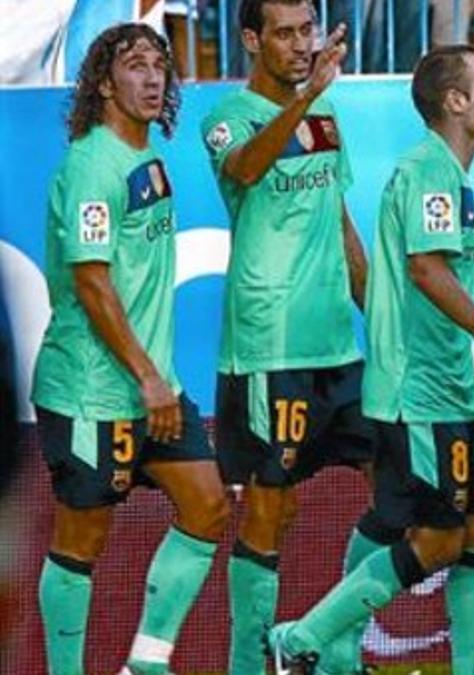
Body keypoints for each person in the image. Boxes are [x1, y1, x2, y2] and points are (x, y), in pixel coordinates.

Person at [265, 44, 474, 675]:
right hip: (418, 391)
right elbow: (427, 269)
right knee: (439, 538)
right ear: (455, 102)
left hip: (447, 388)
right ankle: (301, 641)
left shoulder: (451, 175)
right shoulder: (430, 171)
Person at [33, 23, 230, 675]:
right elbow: (91, 281)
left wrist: (157, 379)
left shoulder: (147, 159)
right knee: (82, 539)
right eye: (135, 66)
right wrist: (148, 378)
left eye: (159, 67)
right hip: (93, 387)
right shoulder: (92, 165)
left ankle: (145, 662)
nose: (152, 79)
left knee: (207, 503)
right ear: (102, 82)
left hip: (153, 384)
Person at [199, 1, 374, 672]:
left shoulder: (324, 117)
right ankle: (251, 661)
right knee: (273, 509)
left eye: (308, 30)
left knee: (398, 490)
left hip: (340, 346)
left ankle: (328, 648)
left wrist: (379, 318)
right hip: (270, 346)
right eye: (285, 33)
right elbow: (245, 168)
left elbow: (340, 220)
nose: (301, 45)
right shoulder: (226, 119)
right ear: (251, 39)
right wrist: (308, 100)